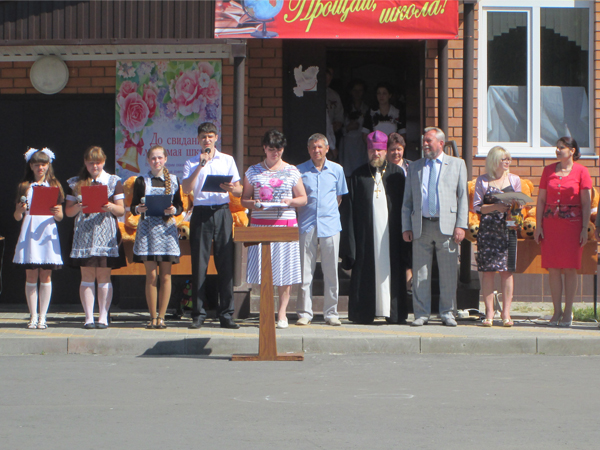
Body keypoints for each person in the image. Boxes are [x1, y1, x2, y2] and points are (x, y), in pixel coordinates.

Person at [402, 127, 468, 327]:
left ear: (441, 143)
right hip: (421, 225)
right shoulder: (415, 167)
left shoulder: (457, 164)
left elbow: (463, 197)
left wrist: (461, 225)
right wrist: (406, 226)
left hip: (447, 226)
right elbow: (408, 201)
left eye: (429, 141)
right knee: (420, 274)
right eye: (424, 141)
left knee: (448, 273)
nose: (425, 144)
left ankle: (447, 312)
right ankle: (421, 314)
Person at [241, 130, 307, 329]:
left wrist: (291, 201)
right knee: (263, 271)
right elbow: (244, 199)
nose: (274, 153)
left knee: (285, 271)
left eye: (278, 150)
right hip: (261, 224)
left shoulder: (292, 170)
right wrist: (256, 203)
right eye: (271, 150)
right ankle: (266, 310)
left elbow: (303, 198)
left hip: (285, 225)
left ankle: (282, 313)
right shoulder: (253, 171)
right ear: (264, 148)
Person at [340, 130, 408, 324]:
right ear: (367, 151)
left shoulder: (397, 175)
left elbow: (405, 206)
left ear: (385, 151)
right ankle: (365, 312)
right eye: (372, 150)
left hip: (391, 236)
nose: (375, 154)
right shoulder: (358, 175)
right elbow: (349, 211)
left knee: (391, 271)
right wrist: (350, 243)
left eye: (379, 150)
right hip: (365, 238)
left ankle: (392, 312)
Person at [182, 122, 242, 329]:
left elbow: (239, 191)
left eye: (210, 136)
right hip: (201, 212)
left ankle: (226, 314)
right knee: (199, 264)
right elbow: (187, 188)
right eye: (203, 137)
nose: (207, 140)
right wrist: (201, 165)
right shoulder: (191, 162)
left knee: (225, 263)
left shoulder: (227, 160)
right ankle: (198, 314)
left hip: (222, 211)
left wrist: (232, 187)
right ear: (198, 140)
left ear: (216, 138)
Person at [65, 146, 126, 329]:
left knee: (104, 275)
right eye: (91, 162)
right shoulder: (76, 182)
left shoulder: (113, 181)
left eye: (98, 162)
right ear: (85, 162)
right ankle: (88, 317)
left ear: (104, 162)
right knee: (87, 275)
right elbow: (68, 212)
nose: (95, 166)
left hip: (106, 234)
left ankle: (103, 317)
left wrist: (110, 206)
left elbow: (122, 209)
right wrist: (78, 206)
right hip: (84, 233)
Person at [534, 137, 592, 328]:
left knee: (569, 268)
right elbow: (541, 200)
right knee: (553, 268)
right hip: (551, 226)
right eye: (556, 148)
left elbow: (586, 203)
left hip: (573, 227)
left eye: (562, 148)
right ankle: (556, 311)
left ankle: (568, 311)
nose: (558, 150)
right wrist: (538, 225)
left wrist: (584, 228)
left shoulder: (582, 171)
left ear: (572, 150)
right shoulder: (548, 170)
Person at [296, 133, 348, 326]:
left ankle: (331, 312)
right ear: (308, 150)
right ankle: (304, 312)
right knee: (305, 270)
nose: (316, 150)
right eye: (312, 147)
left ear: (327, 148)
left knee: (331, 270)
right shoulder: (299, 170)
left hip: (330, 224)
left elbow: (339, 197)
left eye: (320, 147)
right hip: (306, 223)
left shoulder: (337, 170)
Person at [130, 145, 184, 329]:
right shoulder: (141, 181)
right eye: (153, 158)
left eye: (160, 158)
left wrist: (173, 210)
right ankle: (152, 317)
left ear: (166, 159)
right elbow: (132, 206)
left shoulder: (175, 180)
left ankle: (162, 317)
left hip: (167, 232)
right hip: (147, 232)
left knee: (166, 276)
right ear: (148, 160)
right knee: (151, 276)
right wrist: (139, 209)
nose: (156, 161)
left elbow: (180, 206)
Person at [13, 147, 64, 329]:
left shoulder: (54, 186)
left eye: (43, 164)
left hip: (47, 232)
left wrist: (58, 213)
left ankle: (43, 316)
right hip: (30, 231)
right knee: (31, 275)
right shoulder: (25, 186)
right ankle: (33, 315)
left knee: (46, 275)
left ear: (48, 165)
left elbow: (59, 217)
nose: (40, 168)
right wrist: (19, 211)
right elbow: (18, 216)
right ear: (31, 166)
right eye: (36, 165)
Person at [473, 146, 521, 327]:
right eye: (504, 159)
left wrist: (516, 209)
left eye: (508, 159)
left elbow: (520, 204)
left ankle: (506, 313)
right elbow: (477, 207)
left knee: (507, 271)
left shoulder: (514, 179)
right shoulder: (483, 181)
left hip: (508, 229)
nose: (507, 162)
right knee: (488, 271)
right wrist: (495, 207)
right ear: (494, 161)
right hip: (488, 230)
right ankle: (489, 312)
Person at [387, 132, 413, 292]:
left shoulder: (412, 166)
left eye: (399, 149)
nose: (396, 153)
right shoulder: (381, 168)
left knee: (408, 253)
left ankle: (409, 288)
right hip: (390, 215)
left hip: (409, 216)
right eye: (392, 150)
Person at [340, 79, 369, 177]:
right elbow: (338, 128)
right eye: (355, 90)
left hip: (361, 144)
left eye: (360, 90)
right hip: (348, 145)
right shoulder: (344, 108)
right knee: (347, 171)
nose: (357, 93)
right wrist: (348, 128)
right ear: (351, 92)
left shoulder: (367, 109)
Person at [326, 67, 344, 159]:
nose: (326, 82)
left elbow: (339, 115)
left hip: (333, 134)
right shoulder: (314, 95)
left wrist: (338, 123)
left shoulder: (334, 95)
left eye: (329, 80)